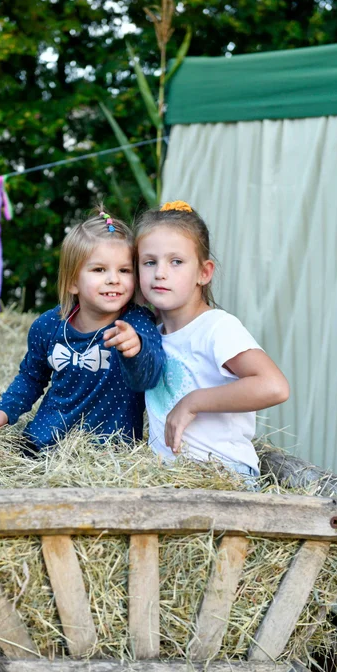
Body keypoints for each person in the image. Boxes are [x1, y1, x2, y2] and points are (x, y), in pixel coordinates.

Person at [0, 208, 165, 455]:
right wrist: (4, 411)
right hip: (43, 440)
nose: (113, 279)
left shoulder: (136, 322)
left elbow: (151, 375)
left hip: (109, 451)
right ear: (73, 281)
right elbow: (31, 377)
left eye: (124, 270)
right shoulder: (49, 325)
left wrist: (137, 348)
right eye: (99, 270)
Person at [134, 200, 290, 479]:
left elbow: (274, 387)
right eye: (149, 262)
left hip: (223, 476)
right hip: (165, 477)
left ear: (203, 273)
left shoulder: (217, 328)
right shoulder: (152, 337)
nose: (160, 272)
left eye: (176, 262)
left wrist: (193, 402)